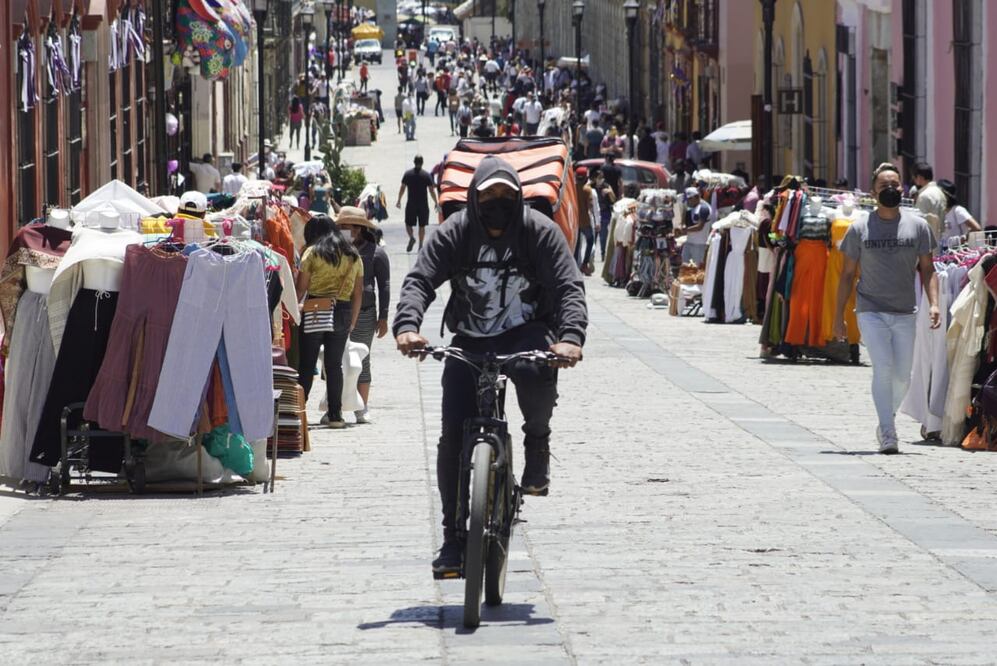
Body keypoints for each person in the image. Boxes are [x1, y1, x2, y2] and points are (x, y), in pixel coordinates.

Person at [392, 156, 587, 575]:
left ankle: (537, 442)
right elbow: (420, 279)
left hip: (527, 332)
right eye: (488, 195)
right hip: (470, 338)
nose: (497, 203)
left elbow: (568, 284)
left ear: (518, 197)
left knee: (537, 375)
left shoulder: (539, 232)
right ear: (474, 198)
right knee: (450, 436)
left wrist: (570, 338)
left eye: (506, 195)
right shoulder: (454, 233)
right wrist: (408, 326)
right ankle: (451, 538)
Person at [834, 163, 939, 455]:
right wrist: (838, 317)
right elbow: (846, 275)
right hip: (871, 309)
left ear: (903, 189)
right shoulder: (859, 228)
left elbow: (928, 270)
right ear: (873, 192)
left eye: (895, 184)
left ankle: (885, 419)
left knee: (903, 376)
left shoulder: (918, 225)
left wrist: (934, 304)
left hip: (906, 310)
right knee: (882, 367)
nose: (891, 190)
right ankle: (889, 433)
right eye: (884, 186)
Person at [295, 214, 364, 429]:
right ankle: (336, 415)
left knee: (307, 364)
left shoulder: (312, 253)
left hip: (315, 308)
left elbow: (301, 288)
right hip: (342, 310)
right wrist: (352, 320)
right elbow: (358, 292)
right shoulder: (352, 254)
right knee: (334, 365)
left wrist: (294, 311)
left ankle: (300, 413)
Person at [338, 207, 391, 424]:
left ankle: (362, 407)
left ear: (358, 229)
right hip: (339, 311)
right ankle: (336, 407)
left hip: (366, 313)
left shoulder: (376, 253)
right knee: (336, 362)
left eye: (347, 227)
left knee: (361, 360)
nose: (342, 231)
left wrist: (384, 317)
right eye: (340, 227)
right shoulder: (335, 251)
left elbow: (384, 286)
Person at [397, 155, 440, 252]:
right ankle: (420, 245)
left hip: (411, 203)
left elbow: (402, 188)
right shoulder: (426, 175)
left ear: (414, 162)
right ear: (422, 162)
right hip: (423, 204)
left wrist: (399, 200)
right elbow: (431, 190)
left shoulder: (408, 174)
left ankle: (412, 237)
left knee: (408, 224)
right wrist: (436, 202)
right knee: (422, 226)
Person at [937, 179, 981, 248]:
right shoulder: (940, 211)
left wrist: (963, 238)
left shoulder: (957, 210)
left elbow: (977, 228)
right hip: (942, 249)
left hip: (956, 250)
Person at [911, 161, 947, 244]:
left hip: (926, 243)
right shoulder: (940, 192)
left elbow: (918, 224)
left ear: (919, 177)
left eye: (914, 177)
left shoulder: (924, 196)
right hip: (939, 240)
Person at [575, 168, 599, 275]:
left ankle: (575, 264)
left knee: (576, 244)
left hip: (575, 220)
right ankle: (585, 264)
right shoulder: (587, 190)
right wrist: (596, 221)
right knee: (590, 241)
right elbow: (591, 207)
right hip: (585, 221)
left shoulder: (573, 188)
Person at [681, 187, 712, 265]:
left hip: (699, 244)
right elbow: (688, 225)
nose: (688, 202)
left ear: (696, 197)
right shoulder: (691, 208)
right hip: (689, 242)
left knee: (697, 269)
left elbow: (699, 227)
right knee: (684, 266)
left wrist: (684, 231)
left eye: (689, 199)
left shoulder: (704, 208)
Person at [593, 168, 615, 261]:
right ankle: (591, 255)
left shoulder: (606, 186)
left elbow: (613, 199)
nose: (600, 179)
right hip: (594, 213)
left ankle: (602, 254)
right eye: (599, 177)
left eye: (602, 177)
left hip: (604, 213)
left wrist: (609, 192)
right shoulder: (591, 187)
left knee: (603, 235)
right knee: (594, 235)